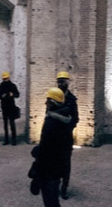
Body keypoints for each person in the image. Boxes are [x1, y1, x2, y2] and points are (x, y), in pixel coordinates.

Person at [32, 88, 74, 207]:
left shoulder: (51, 122)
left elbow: (46, 150)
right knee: (53, 200)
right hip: (58, 166)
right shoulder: (65, 119)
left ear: (53, 102)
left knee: (50, 201)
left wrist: (37, 152)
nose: (46, 103)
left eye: (48, 101)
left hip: (49, 169)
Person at [55, 71, 78, 199]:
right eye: (59, 81)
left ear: (67, 82)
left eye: (63, 81)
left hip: (65, 138)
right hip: (54, 138)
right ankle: (55, 185)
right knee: (55, 163)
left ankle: (64, 188)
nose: (61, 83)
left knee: (65, 165)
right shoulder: (53, 97)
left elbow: (76, 118)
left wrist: (67, 126)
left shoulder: (71, 99)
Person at [0, 71, 21, 145]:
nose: (5, 80)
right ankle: (6, 140)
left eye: (6, 79)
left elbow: (17, 94)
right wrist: (2, 96)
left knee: (12, 124)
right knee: (5, 125)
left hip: (11, 107)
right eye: (4, 79)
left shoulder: (12, 86)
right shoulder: (1, 86)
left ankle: (14, 140)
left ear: (8, 78)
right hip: (4, 107)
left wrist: (13, 94)